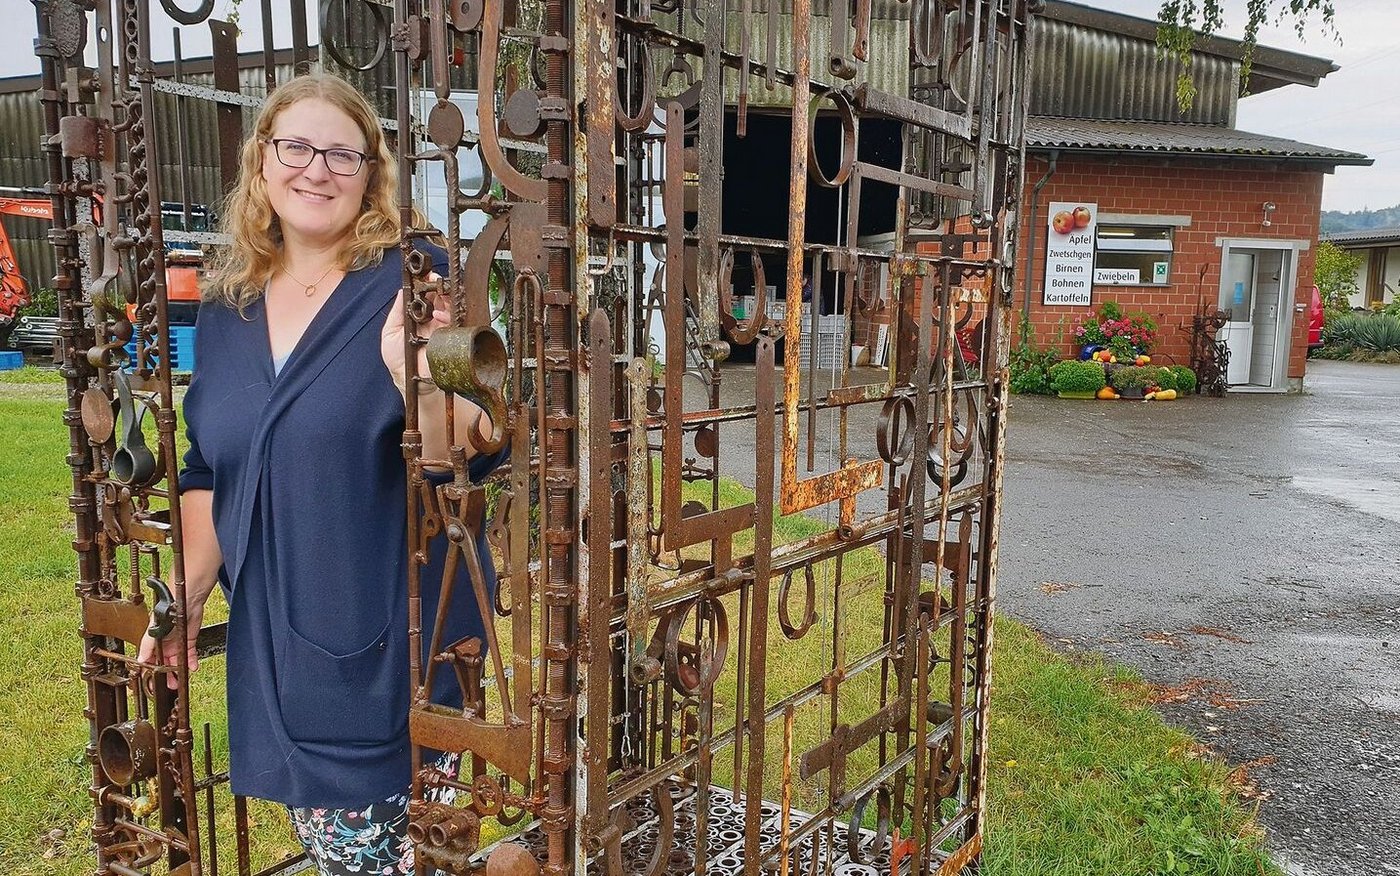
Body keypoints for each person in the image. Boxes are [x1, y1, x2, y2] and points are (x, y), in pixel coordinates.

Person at [137, 72, 503, 875]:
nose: (317, 169)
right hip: (281, 639)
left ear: (371, 174)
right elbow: (208, 467)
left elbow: (475, 448)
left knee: (401, 856)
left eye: (343, 154)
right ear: (262, 163)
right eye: (295, 147)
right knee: (337, 852)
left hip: (397, 637)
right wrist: (190, 598)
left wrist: (418, 380)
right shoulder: (228, 306)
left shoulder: (413, 274)